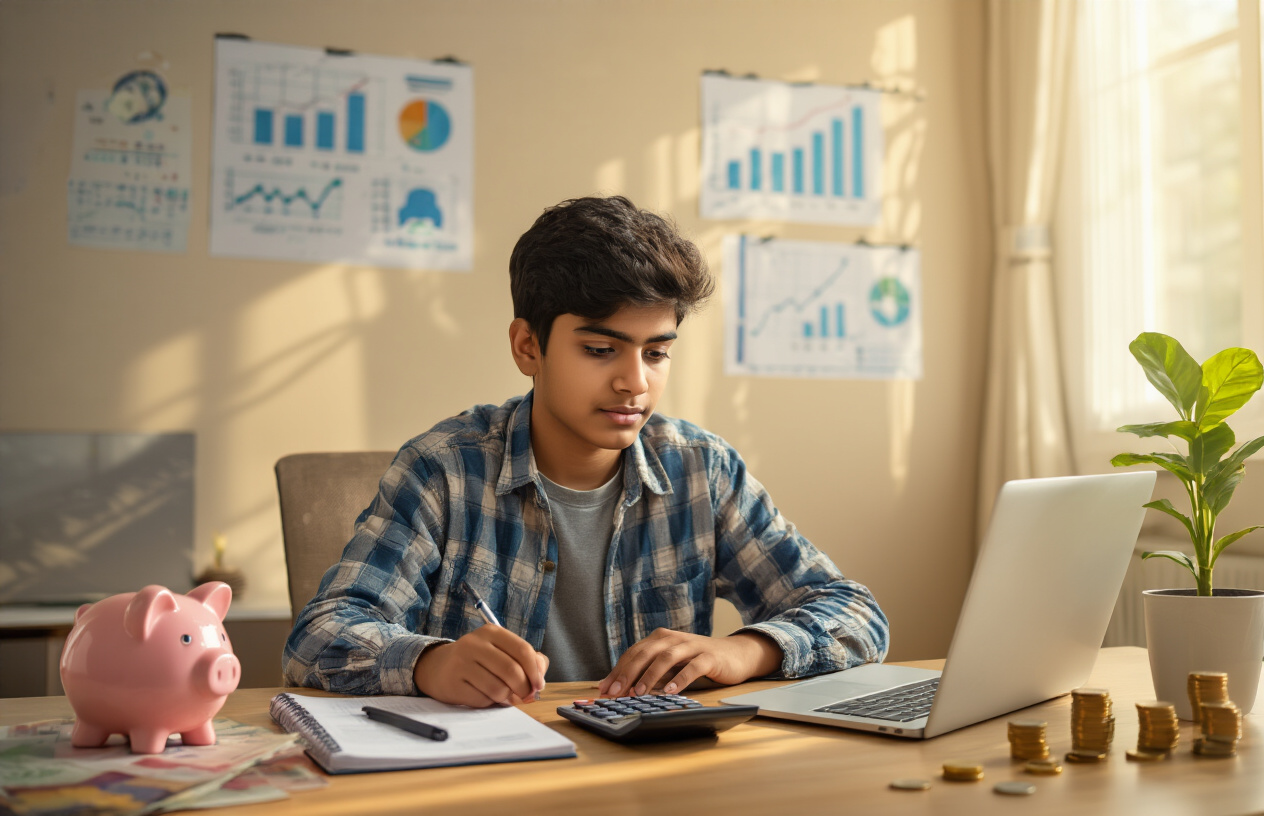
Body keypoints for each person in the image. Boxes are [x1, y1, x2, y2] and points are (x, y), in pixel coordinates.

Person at [283, 195, 889, 707]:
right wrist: (429, 664)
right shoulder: (444, 469)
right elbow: (319, 636)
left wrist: (742, 651)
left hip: (651, 778)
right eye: (602, 350)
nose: (635, 382)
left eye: (656, 352)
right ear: (528, 346)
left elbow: (855, 614)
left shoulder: (702, 470)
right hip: (493, 777)